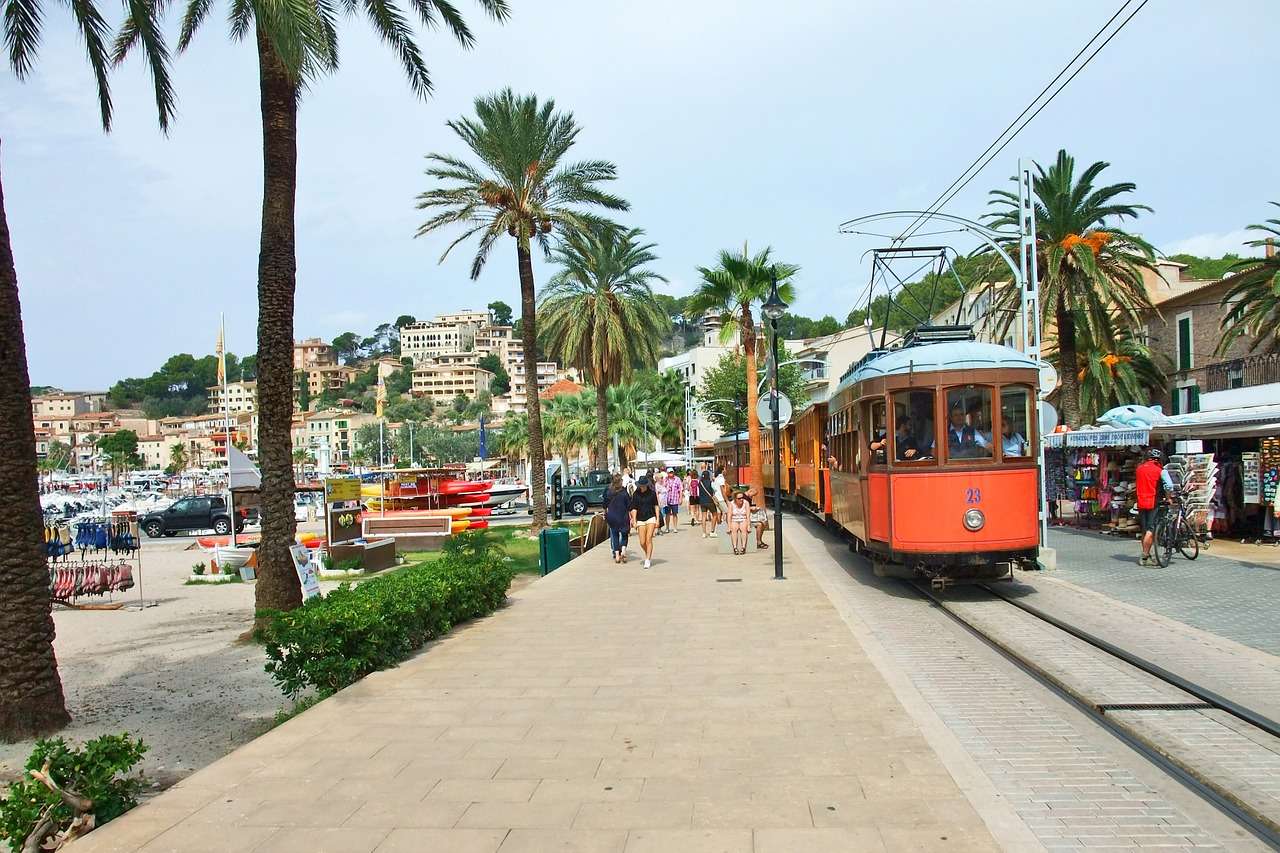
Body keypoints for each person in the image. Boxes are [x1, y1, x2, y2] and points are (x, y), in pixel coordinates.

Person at [1135, 448, 1175, 566]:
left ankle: (1146, 555)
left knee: (1144, 529)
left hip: (1141, 501)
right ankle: (1145, 555)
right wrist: (1168, 498)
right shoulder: (1160, 470)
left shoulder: (1139, 469)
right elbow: (1169, 486)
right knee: (1151, 530)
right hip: (1154, 502)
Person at [630, 475, 661, 569]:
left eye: (644, 485)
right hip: (640, 519)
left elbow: (656, 506)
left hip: (650, 517)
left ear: (647, 485)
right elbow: (634, 508)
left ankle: (647, 559)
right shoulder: (636, 494)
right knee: (642, 542)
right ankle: (648, 552)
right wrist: (634, 521)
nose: (642, 487)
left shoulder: (652, 493)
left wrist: (657, 519)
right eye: (641, 485)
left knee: (648, 539)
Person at [604, 474, 632, 564]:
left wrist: (606, 513)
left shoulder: (609, 492)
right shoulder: (624, 492)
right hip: (623, 516)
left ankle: (616, 555)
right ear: (620, 481)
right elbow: (629, 506)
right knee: (624, 534)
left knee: (614, 535)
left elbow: (604, 504)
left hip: (612, 516)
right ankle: (623, 551)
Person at [745, 482, 769, 549]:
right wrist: (751, 508)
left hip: (748, 517)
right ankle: (758, 542)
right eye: (753, 495)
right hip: (744, 519)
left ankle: (760, 540)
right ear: (750, 491)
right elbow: (743, 508)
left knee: (763, 523)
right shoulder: (744, 498)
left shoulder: (748, 498)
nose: (752, 497)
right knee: (759, 524)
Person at [727, 490, 752, 555]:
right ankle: (735, 547)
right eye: (739, 498)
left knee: (744, 529)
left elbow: (748, 515)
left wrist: (749, 525)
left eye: (742, 497)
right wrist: (729, 526)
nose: (741, 499)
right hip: (734, 519)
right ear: (735, 499)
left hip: (743, 518)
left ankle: (743, 547)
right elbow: (729, 516)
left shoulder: (746, 503)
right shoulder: (731, 504)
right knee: (734, 530)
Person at [698, 465, 717, 537]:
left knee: (703, 516)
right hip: (710, 501)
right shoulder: (710, 482)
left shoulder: (700, 483)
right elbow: (715, 490)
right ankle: (712, 531)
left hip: (702, 501)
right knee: (714, 514)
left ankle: (704, 533)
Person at [663, 468, 683, 532]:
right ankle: (667, 527)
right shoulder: (665, 479)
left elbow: (680, 489)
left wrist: (680, 498)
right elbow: (662, 488)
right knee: (667, 514)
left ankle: (675, 527)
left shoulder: (677, 479)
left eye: (672, 472)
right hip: (667, 499)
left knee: (675, 514)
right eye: (669, 472)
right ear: (667, 473)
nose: (671, 473)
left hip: (675, 499)